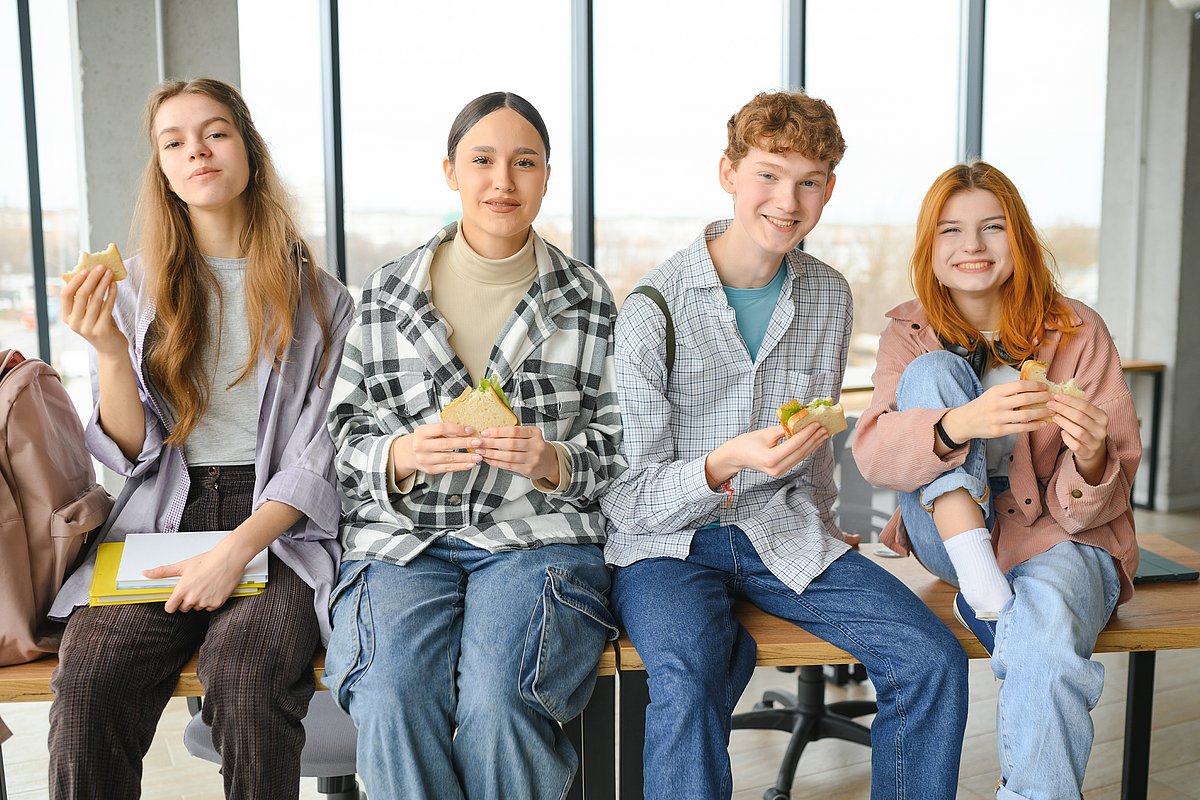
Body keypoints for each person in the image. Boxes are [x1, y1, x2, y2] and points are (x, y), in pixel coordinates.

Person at [600, 90, 968, 800]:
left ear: (829, 189)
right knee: (690, 674)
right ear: (728, 173)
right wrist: (727, 460)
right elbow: (632, 497)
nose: (787, 200)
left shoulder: (829, 295)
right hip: (668, 545)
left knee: (930, 659)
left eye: (808, 181)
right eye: (768, 174)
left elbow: (819, 441)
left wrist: (830, 525)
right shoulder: (653, 307)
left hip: (784, 531)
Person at [46, 78, 353, 799]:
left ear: (247, 146)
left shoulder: (322, 297)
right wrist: (112, 352)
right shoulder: (130, 292)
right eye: (174, 142)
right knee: (88, 684)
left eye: (214, 133)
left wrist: (236, 548)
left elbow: (322, 454)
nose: (197, 152)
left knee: (248, 679)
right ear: (162, 168)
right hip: (161, 516)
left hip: (275, 527)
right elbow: (128, 452)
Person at [324, 91, 622, 800]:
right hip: (402, 539)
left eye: (524, 163)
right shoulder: (386, 292)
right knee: (392, 696)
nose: (503, 181)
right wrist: (399, 456)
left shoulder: (588, 299)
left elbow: (620, 443)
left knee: (501, 701)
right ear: (450, 171)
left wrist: (555, 461)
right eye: (482, 160)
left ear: (547, 175)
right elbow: (342, 436)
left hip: (538, 537)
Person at [852, 161, 1141, 799]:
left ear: (1021, 238)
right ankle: (981, 580)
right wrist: (958, 425)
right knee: (929, 379)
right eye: (952, 231)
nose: (973, 247)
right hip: (956, 536)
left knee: (1046, 639)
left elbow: (1116, 476)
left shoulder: (1078, 330)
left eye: (993, 227)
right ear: (930, 247)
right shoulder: (909, 331)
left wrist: (1093, 456)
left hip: (1062, 535)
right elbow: (873, 454)